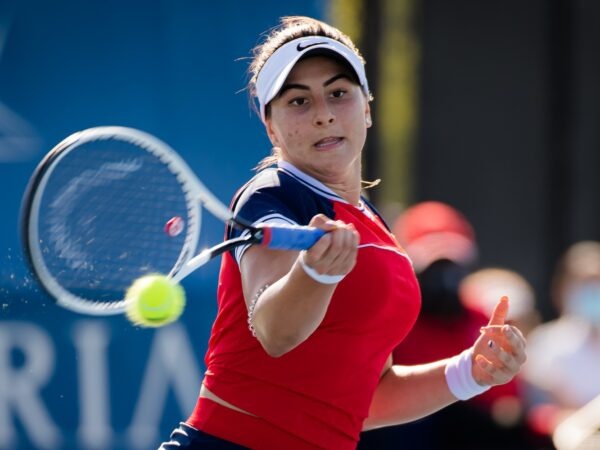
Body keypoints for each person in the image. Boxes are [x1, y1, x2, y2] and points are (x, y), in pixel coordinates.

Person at [159, 16, 527, 450]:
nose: (324, 115)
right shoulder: (271, 197)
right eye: (299, 101)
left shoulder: (376, 228)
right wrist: (316, 275)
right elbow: (275, 332)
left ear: (367, 109)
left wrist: (470, 372)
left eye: (338, 94)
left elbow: (365, 398)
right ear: (270, 126)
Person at [522, 241, 600, 442]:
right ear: (563, 289)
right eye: (586, 284)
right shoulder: (544, 342)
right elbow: (538, 406)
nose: (594, 291)